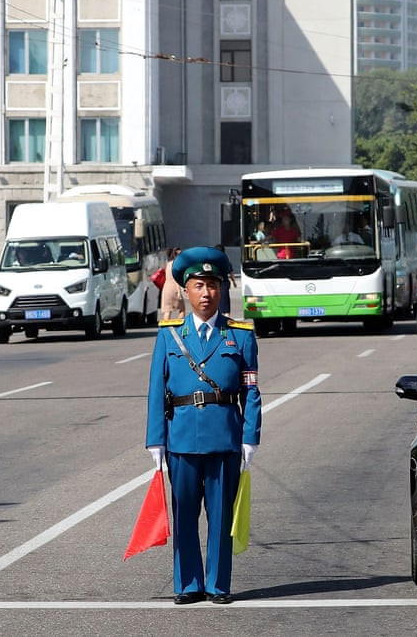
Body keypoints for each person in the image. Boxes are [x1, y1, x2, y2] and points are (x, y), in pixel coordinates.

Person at [145, 246, 262, 605]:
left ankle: (217, 584)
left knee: (221, 516)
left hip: (225, 438)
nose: (206, 293)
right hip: (180, 440)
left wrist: (250, 436)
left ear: (222, 289)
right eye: (198, 285)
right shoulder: (169, 335)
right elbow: (155, 390)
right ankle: (188, 583)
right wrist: (156, 441)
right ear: (185, 290)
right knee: (184, 515)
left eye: (212, 285)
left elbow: (251, 390)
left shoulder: (240, 336)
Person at [159, 247, 186, 320]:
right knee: (182, 309)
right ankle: (178, 327)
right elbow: (175, 279)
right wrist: (179, 292)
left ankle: (166, 328)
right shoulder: (176, 265)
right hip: (174, 288)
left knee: (167, 311)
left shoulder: (168, 264)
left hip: (166, 288)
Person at [213, 244, 239, 317]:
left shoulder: (213, 262)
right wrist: (234, 282)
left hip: (216, 283)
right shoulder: (226, 261)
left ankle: (219, 317)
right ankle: (226, 318)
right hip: (224, 283)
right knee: (225, 302)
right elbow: (231, 272)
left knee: (217, 301)